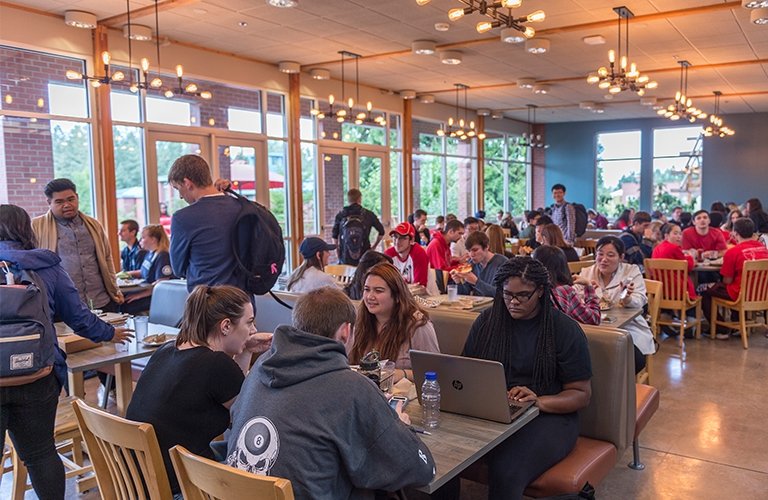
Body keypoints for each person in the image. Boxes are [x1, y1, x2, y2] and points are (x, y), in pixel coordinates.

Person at [226, 287, 435, 498]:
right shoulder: (352, 388)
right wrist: (400, 425)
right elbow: (422, 470)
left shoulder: (260, 367)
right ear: (345, 331)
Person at [1, 204, 131, 500]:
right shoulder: (45, 264)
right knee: (41, 453)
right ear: (25, 229)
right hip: (38, 373)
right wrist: (109, 332)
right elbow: (78, 315)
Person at [462, 257, 592, 498]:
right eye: (507, 294)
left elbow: (581, 394)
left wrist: (538, 401)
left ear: (540, 291)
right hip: (494, 409)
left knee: (506, 470)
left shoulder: (563, 329)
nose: (513, 302)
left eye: (523, 295)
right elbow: (466, 371)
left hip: (549, 416)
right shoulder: (487, 322)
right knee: (442, 449)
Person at [126, 285, 272, 495]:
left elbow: (234, 392)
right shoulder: (215, 364)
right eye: (249, 322)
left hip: (138, 483)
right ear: (225, 326)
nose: (254, 330)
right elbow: (250, 418)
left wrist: (246, 349)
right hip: (181, 488)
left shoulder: (167, 349)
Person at [31, 178, 124, 311]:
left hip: (101, 300)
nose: (67, 205)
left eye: (71, 199)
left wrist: (114, 288)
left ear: (77, 197)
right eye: (59, 202)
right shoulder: (36, 227)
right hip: (62, 305)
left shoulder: (93, 225)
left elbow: (107, 258)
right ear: (49, 203)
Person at [348, 263, 439, 381]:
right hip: (364, 388)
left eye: (378, 291)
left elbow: (434, 371)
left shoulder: (418, 326)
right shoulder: (359, 321)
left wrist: (402, 374)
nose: (370, 296)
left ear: (397, 296)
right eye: (367, 289)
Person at [168, 155, 244, 292]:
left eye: (178, 188)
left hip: (207, 298)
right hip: (243, 298)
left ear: (187, 183)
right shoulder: (242, 207)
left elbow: (178, 269)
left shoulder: (183, 218)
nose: (180, 196)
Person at [578, 237, 655, 372]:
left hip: (627, 326)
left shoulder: (631, 271)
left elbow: (640, 300)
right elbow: (575, 297)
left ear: (621, 257)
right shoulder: (587, 272)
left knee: (633, 358)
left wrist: (627, 298)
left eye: (610, 255)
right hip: (594, 327)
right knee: (582, 352)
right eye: (600, 254)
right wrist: (587, 293)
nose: (604, 259)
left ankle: (618, 382)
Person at [702, 218, 768, 339]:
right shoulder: (764, 249)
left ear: (735, 233)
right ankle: (737, 324)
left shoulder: (733, 252)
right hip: (761, 295)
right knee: (735, 286)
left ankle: (720, 329)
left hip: (740, 294)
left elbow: (727, 281)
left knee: (704, 290)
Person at [532, 245, 600, 325]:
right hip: (556, 332)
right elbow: (593, 319)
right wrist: (588, 286)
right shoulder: (564, 291)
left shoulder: (529, 289)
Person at [121, 225, 176, 315]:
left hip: (156, 295)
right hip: (147, 291)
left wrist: (138, 295)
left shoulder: (163, 256)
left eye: (143, 238)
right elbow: (144, 271)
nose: (140, 240)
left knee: (126, 305)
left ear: (153, 239)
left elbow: (161, 283)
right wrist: (125, 274)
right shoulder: (150, 254)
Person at [331, 189, 385, 265]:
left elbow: (334, 236)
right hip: (364, 257)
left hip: (345, 257)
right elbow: (382, 231)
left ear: (348, 199)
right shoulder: (368, 214)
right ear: (360, 199)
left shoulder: (341, 215)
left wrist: (338, 253)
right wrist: (374, 247)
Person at [451, 231, 508, 297]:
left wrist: (476, 282)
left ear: (486, 247)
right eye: (469, 251)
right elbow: (465, 293)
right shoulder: (471, 263)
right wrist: (458, 282)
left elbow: (502, 294)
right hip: (477, 303)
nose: (471, 254)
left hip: (494, 303)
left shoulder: (502, 263)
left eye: (475, 250)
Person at [652, 222, 698, 300]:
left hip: (660, 291)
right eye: (675, 233)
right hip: (677, 291)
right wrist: (691, 256)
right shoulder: (674, 248)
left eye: (680, 234)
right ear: (666, 236)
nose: (679, 237)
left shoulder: (657, 248)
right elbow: (689, 266)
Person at [383, 222, 428, 287]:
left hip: (422, 293)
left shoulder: (418, 254)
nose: (397, 242)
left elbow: (420, 287)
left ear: (411, 240)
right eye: (395, 237)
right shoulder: (388, 255)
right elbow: (385, 283)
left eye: (402, 238)